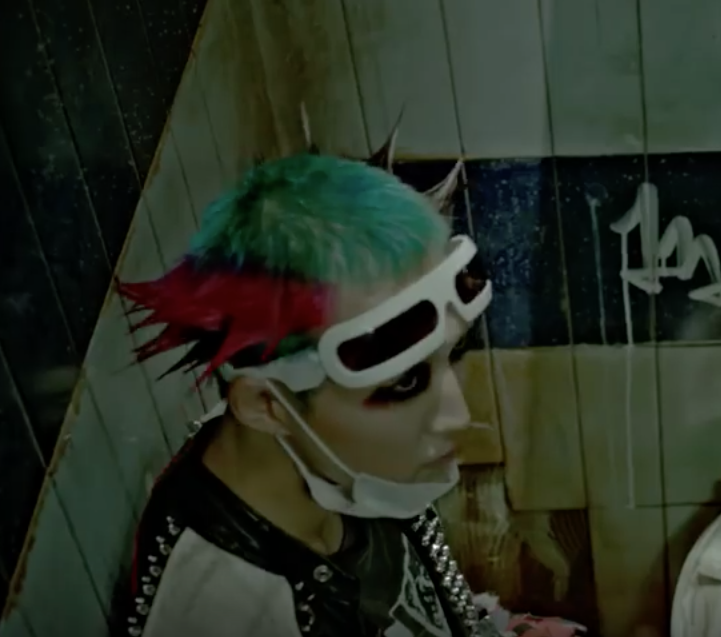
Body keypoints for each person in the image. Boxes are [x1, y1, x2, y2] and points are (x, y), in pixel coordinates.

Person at [112, 138, 578, 637]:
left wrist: (496, 627)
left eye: (453, 354)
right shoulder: (227, 617)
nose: (457, 415)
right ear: (267, 404)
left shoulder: (323, 454)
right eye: (405, 381)